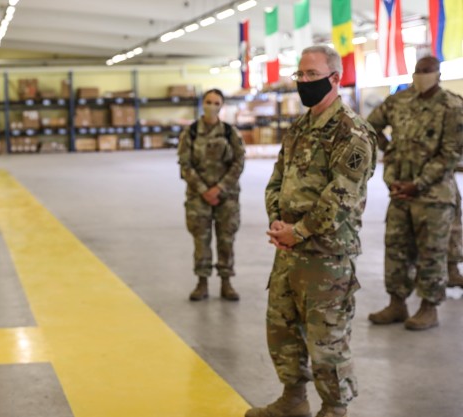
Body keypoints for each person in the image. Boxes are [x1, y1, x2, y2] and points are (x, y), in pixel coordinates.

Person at [250, 45, 377, 417]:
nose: (304, 82)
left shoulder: (351, 133)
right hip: (288, 251)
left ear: (335, 78)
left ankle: (335, 408)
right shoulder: (299, 127)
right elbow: (277, 181)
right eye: (300, 75)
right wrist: (277, 221)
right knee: (282, 329)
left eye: (311, 75)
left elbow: (342, 196)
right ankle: (294, 399)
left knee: (327, 340)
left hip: (327, 257)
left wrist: (300, 231)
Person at [367, 56, 463, 330]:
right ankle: (397, 303)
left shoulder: (452, 106)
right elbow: (370, 125)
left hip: (433, 195)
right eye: (418, 71)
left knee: (431, 252)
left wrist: (418, 183)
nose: (421, 75)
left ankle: (428, 307)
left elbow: (451, 153)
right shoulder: (399, 101)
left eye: (426, 71)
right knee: (396, 248)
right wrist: (390, 151)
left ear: (438, 73)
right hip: (399, 190)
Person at [177, 88, 245, 301]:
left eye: (216, 103)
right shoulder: (191, 132)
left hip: (227, 197)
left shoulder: (229, 132)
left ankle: (226, 282)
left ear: (221, 106)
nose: (212, 106)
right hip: (199, 197)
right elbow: (184, 165)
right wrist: (204, 190)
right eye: (208, 101)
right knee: (201, 240)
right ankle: (202, 282)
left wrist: (220, 188)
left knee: (226, 239)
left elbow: (239, 161)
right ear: (202, 103)